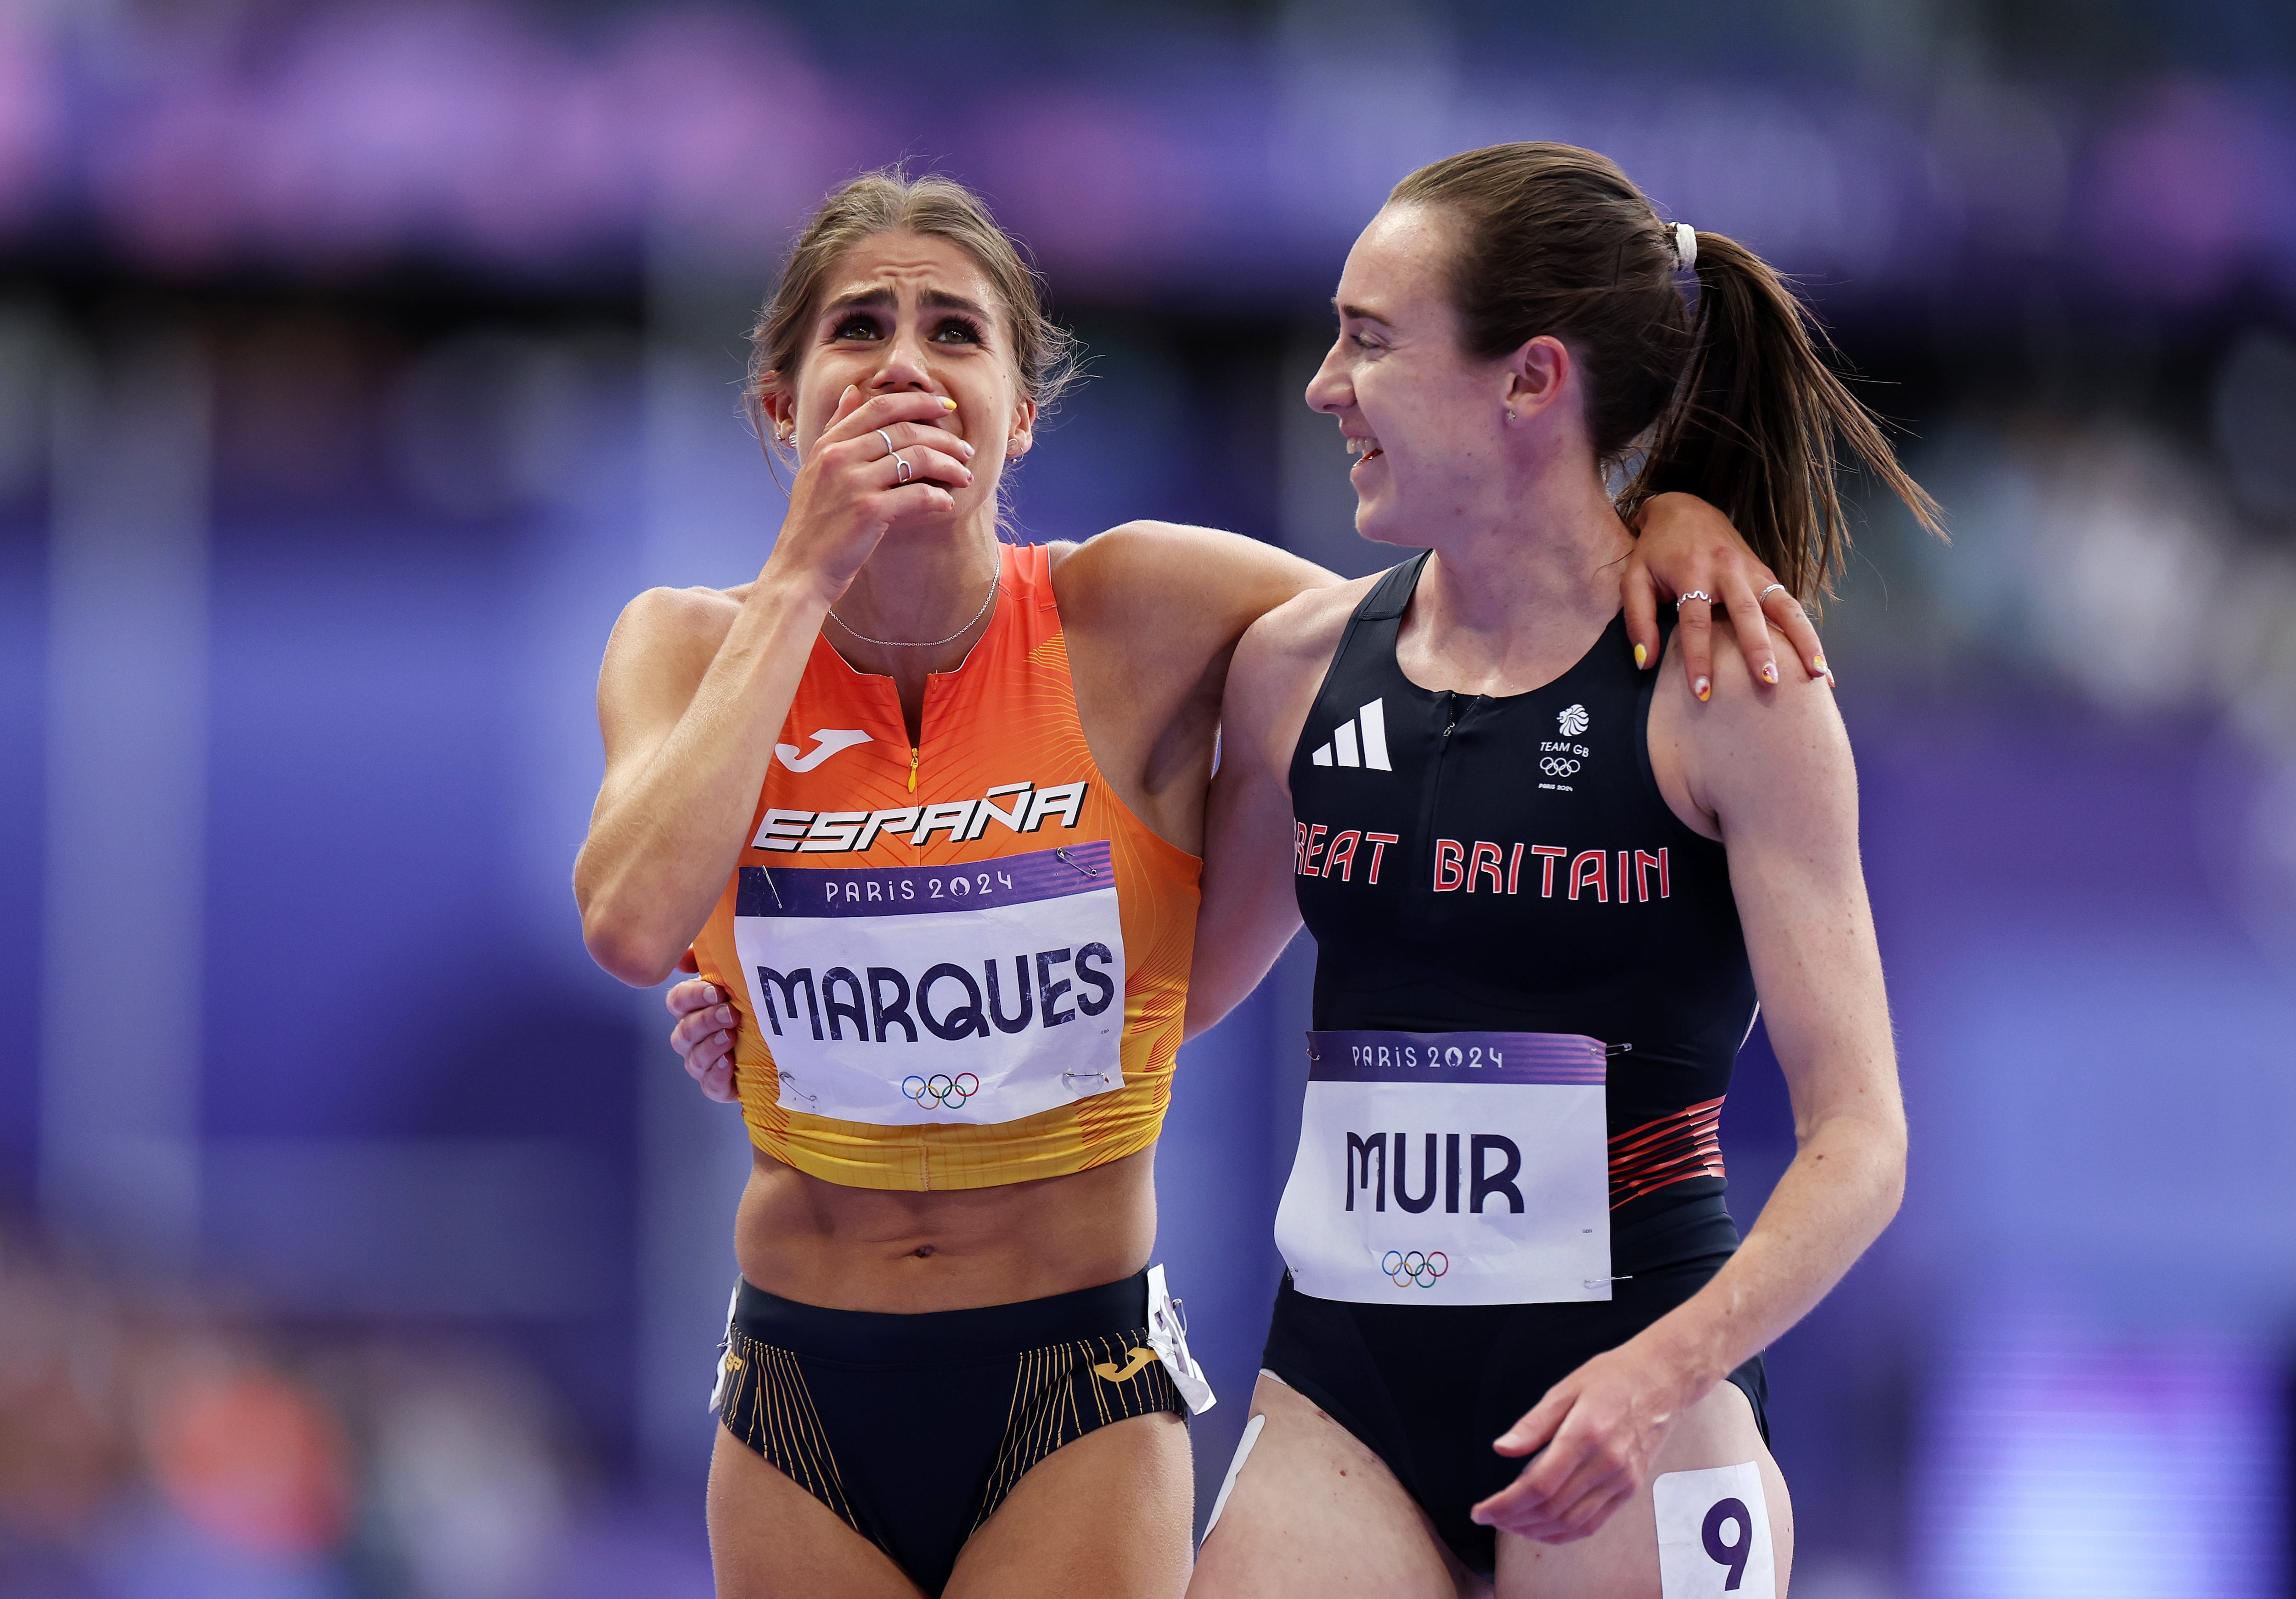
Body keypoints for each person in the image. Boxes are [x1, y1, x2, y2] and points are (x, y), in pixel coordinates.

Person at [605, 169, 1823, 1599]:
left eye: (955, 330)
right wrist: (807, 583)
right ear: (778, 401)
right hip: (804, 1374)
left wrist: (1664, 519)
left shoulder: (1145, 607)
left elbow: (1465, 617)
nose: (905, 366)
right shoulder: (685, 642)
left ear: (1025, 410)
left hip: (1074, 1376)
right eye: (859, 328)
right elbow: (632, 921)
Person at [1178, 145, 1930, 1597]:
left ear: (1530, 381)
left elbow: (1864, 1142)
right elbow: (1172, 991)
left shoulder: (1733, 689)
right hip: (1345, 1381)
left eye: (1370, 340)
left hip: (1632, 1371)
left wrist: (1662, 1374)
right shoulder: (1291, 668)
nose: (1325, 385)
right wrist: (757, 1009)